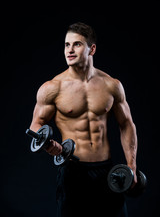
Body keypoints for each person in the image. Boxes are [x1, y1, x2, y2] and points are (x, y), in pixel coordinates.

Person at [29, 22, 138, 217]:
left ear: (92, 49)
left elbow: (126, 124)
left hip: (107, 171)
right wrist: (48, 145)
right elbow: (36, 124)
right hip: (73, 173)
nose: (69, 50)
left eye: (77, 44)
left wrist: (131, 165)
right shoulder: (53, 87)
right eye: (66, 45)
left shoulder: (111, 85)